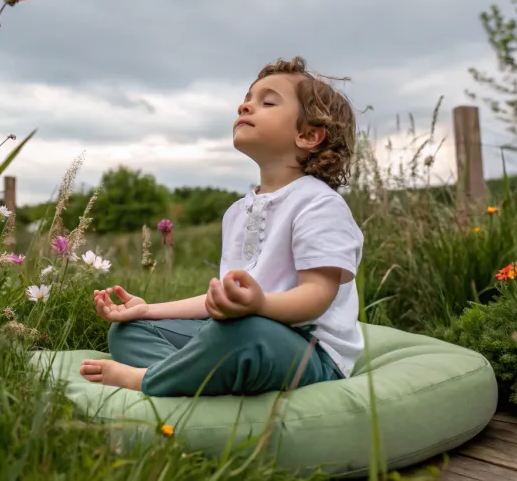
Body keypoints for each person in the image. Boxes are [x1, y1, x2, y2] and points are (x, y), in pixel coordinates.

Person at [79, 56, 364, 397]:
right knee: (131, 330)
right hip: (240, 330)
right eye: (247, 99)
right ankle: (196, 379)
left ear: (307, 135)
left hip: (307, 351)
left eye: (267, 102)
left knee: (243, 334)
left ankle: (147, 379)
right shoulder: (236, 213)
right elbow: (220, 304)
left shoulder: (319, 204)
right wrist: (148, 309)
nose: (245, 106)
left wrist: (259, 306)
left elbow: (316, 296)